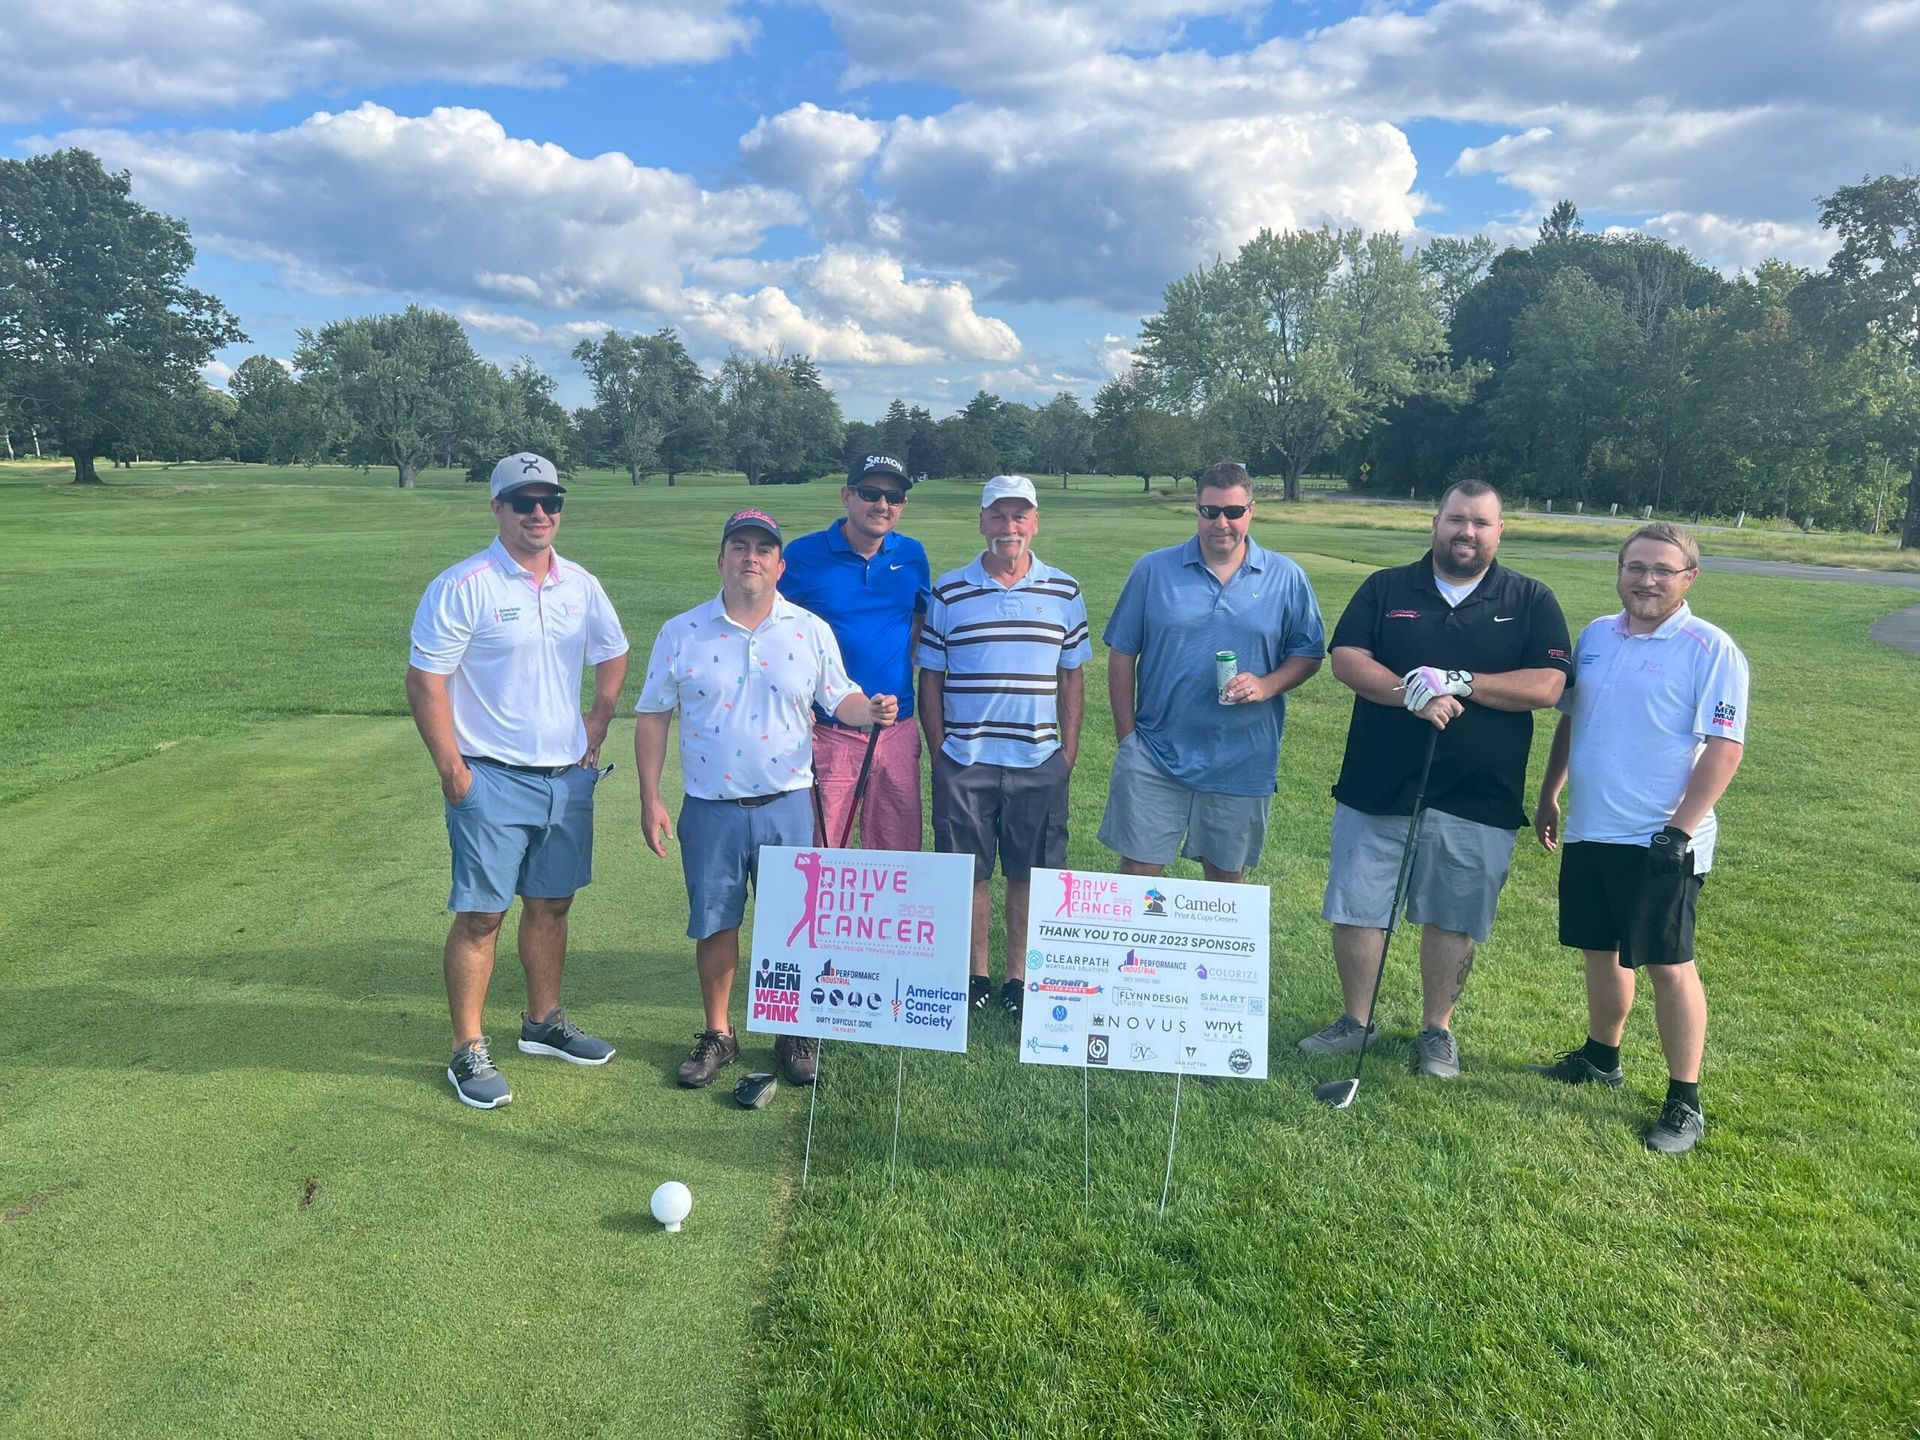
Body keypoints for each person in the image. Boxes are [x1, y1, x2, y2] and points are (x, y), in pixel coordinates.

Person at [1301, 479, 1572, 1078]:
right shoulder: (1387, 587)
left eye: (1480, 523)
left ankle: (1436, 1031)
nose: (1466, 533)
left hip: (1479, 791)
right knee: (1358, 904)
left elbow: (1548, 686)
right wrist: (1410, 694)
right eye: (1455, 520)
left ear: (1501, 530)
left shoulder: (1531, 599)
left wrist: (1460, 681)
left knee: (1454, 913)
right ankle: (1355, 1019)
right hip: (1378, 780)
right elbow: (1347, 657)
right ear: (1435, 523)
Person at [634, 508, 898, 1089]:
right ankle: (719, 1033)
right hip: (711, 806)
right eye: (739, 546)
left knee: (792, 927)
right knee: (715, 922)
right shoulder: (682, 632)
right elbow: (653, 717)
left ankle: (791, 1029)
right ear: (721, 558)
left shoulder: (808, 629)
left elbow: (841, 699)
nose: (750, 558)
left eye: (762, 549)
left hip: (787, 803)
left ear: (780, 565)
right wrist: (651, 798)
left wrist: (870, 711)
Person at [405, 452, 630, 1110]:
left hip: (565, 776)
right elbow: (426, 682)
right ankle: (467, 1048)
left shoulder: (580, 585)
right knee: (481, 916)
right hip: (490, 777)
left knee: (552, 904)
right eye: (524, 501)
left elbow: (612, 651)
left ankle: (543, 1023)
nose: (540, 513)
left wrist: (598, 719)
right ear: (497, 507)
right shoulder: (465, 584)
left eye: (550, 502)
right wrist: (453, 772)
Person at [1532, 523, 1748, 1154]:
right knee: (1600, 951)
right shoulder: (1596, 636)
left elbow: (1725, 748)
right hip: (1591, 829)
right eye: (1636, 567)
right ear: (1619, 569)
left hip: (1661, 841)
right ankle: (1602, 1058)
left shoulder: (1711, 649)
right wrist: (1551, 791)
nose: (1647, 580)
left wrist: (1679, 832)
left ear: (1689, 578)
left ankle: (1685, 1100)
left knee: (1668, 964)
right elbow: (1573, 721)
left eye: (1663, 569)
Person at [1100, 460, 1325, 883]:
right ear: (1197, 510)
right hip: (1155, 753)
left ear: (1251, 511)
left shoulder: (1286, 576)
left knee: (1225, 886)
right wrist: (1127, 737)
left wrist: (1267, 684)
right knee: (1137, 878)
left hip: (1243, 759)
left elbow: (1308, 654)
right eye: (1209, 511)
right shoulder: (1153, 570)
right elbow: (1122, 654)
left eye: (1233, 512)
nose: (1221, 522)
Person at [918, 475, 1090, 1017]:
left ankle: (1019, 975)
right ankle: (976, 974)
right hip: (966, 758)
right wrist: (941, 746)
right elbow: (930, 677)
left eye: (1019, 517)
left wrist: (1068, 751)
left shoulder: (1063, 590)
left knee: (1028, 873)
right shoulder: (950, 589)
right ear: (982, 521)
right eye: (998, 516)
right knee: (969, 874)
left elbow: (1072, 677)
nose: (1008, 528)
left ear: (1035, 523)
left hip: (1038, 758)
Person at [777, 453, 931, 850]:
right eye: (870, 493)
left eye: (893, 497)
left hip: (897, 730)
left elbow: (918, 621)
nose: (882, 505)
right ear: (847, 496)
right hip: (829, 732)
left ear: (902, 505)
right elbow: (772, 631)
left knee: (898, 857)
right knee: (823, 856)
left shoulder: (912, 555)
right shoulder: (802, 556)